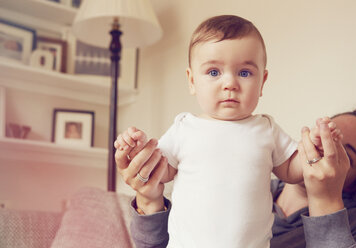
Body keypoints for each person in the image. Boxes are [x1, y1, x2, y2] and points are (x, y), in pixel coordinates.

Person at [115, 15, 340, 247]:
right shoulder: (184, 128)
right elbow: (160, 172)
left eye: (244, 73)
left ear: (262, 82)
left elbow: (291, 171)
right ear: (192, 81)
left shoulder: (266, 128)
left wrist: (316, 148)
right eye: (214, 72)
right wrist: (139, 149)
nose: (230, 83)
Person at [116, 103, 356, 248]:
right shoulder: (246, 186)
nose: (326, 148)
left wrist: (325, 201)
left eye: (345, 153)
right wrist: (149, 199)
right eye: (328, 134)